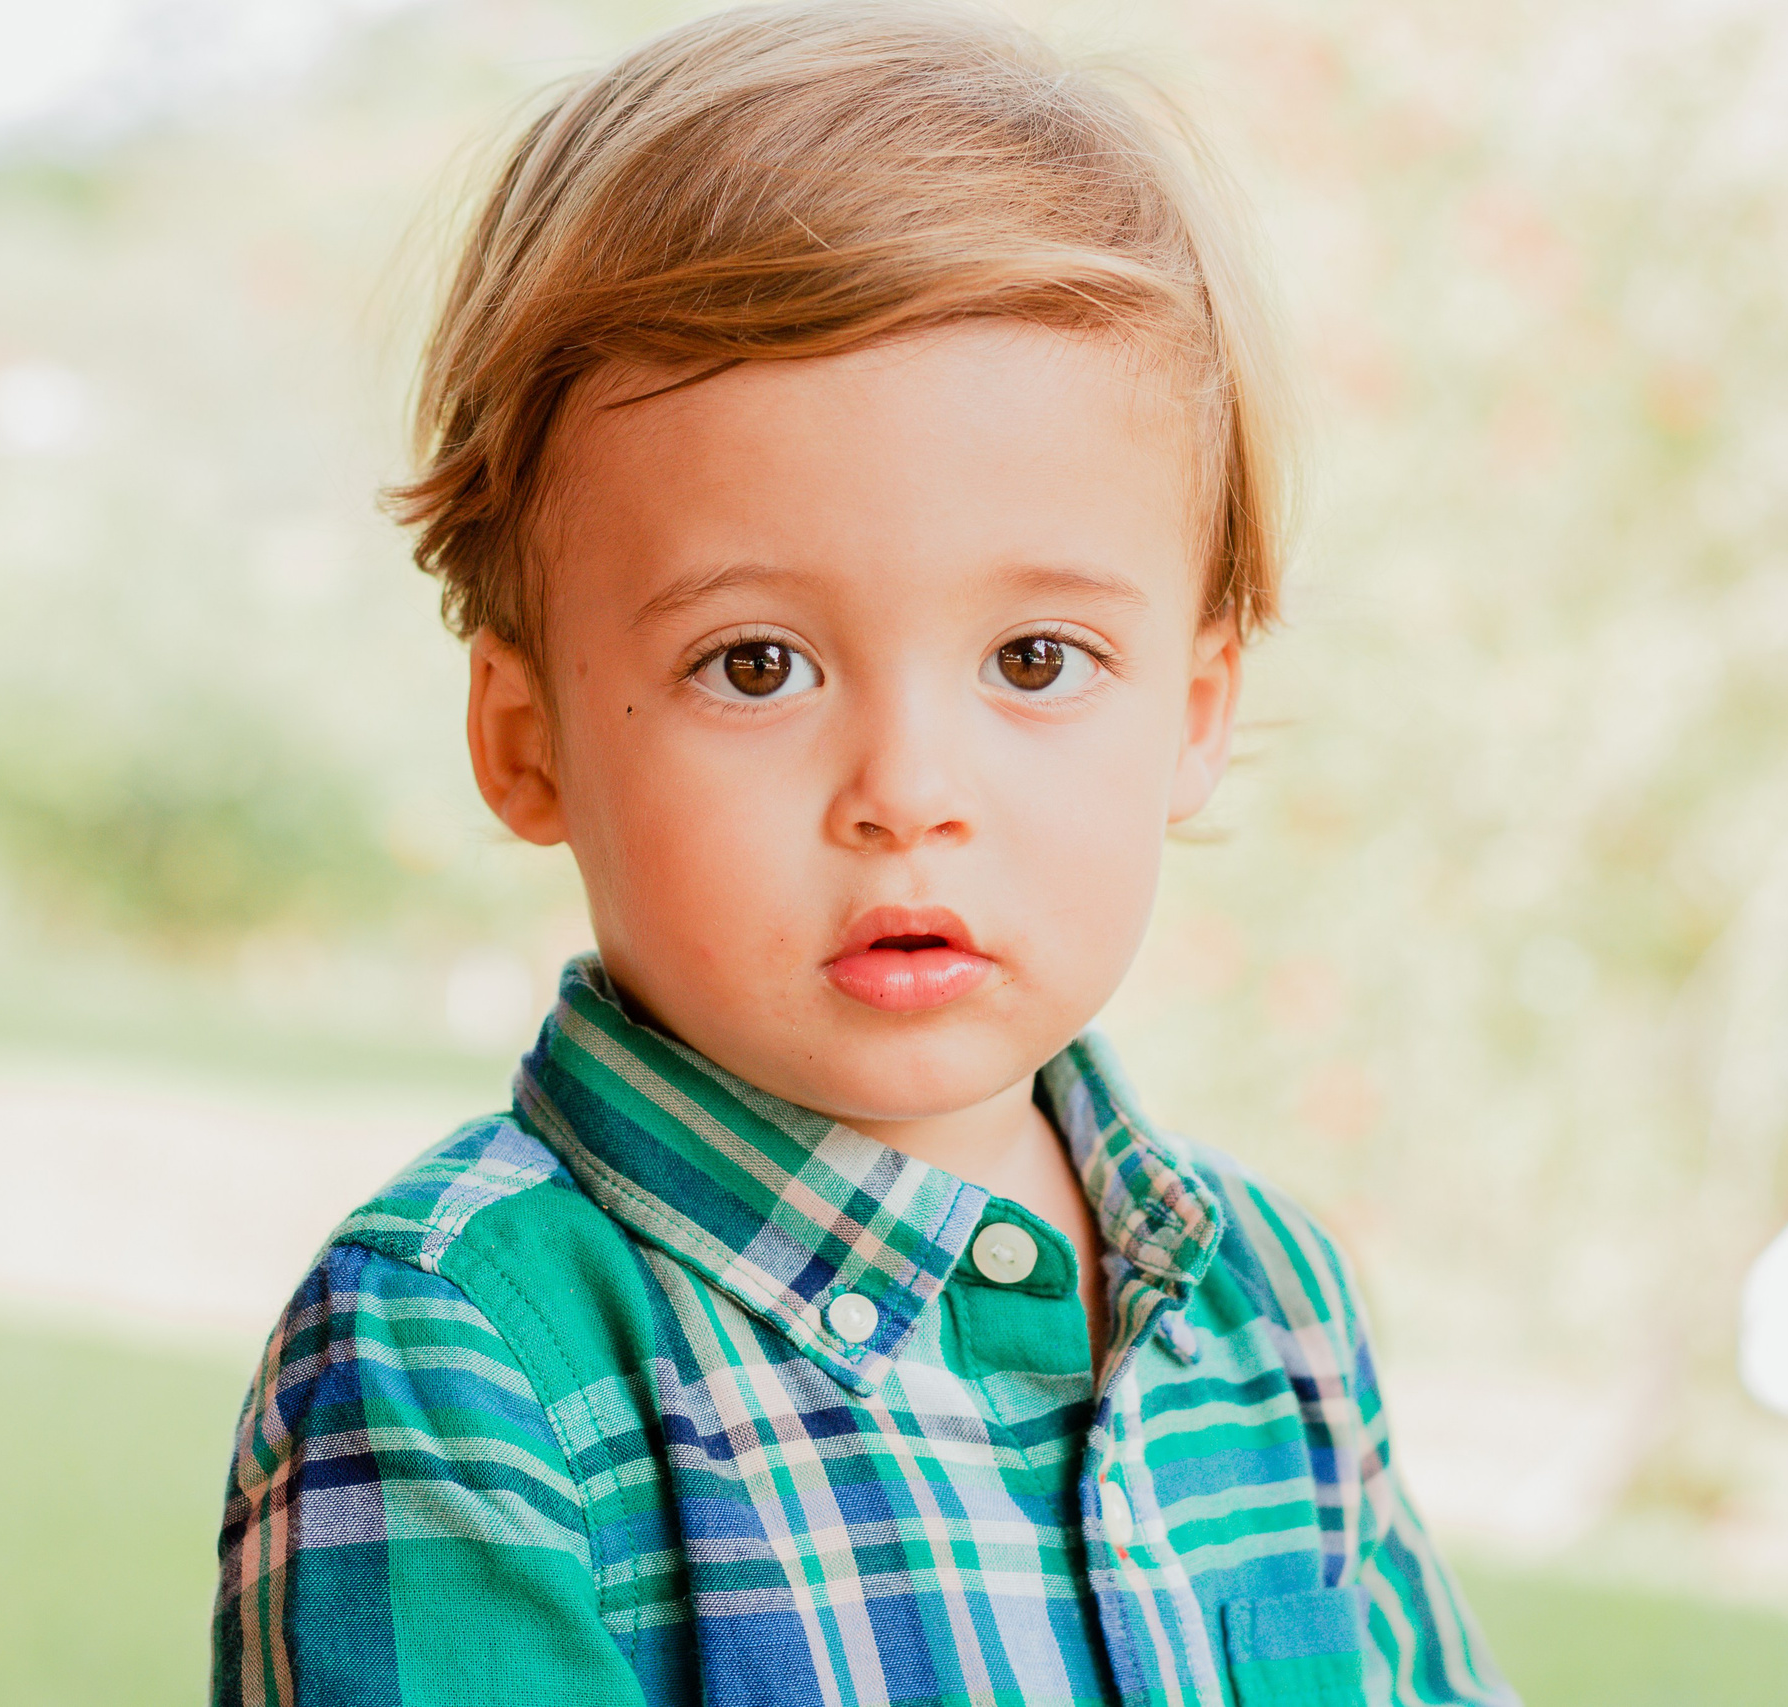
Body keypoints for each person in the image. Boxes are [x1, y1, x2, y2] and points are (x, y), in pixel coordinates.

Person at [212, 4, 1514, 1703]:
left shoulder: (1271, 1311)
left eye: (1035, 662)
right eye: (756, 664)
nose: (907, 790)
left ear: (1194, 712)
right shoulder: (463, 1357)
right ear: (525, 741)